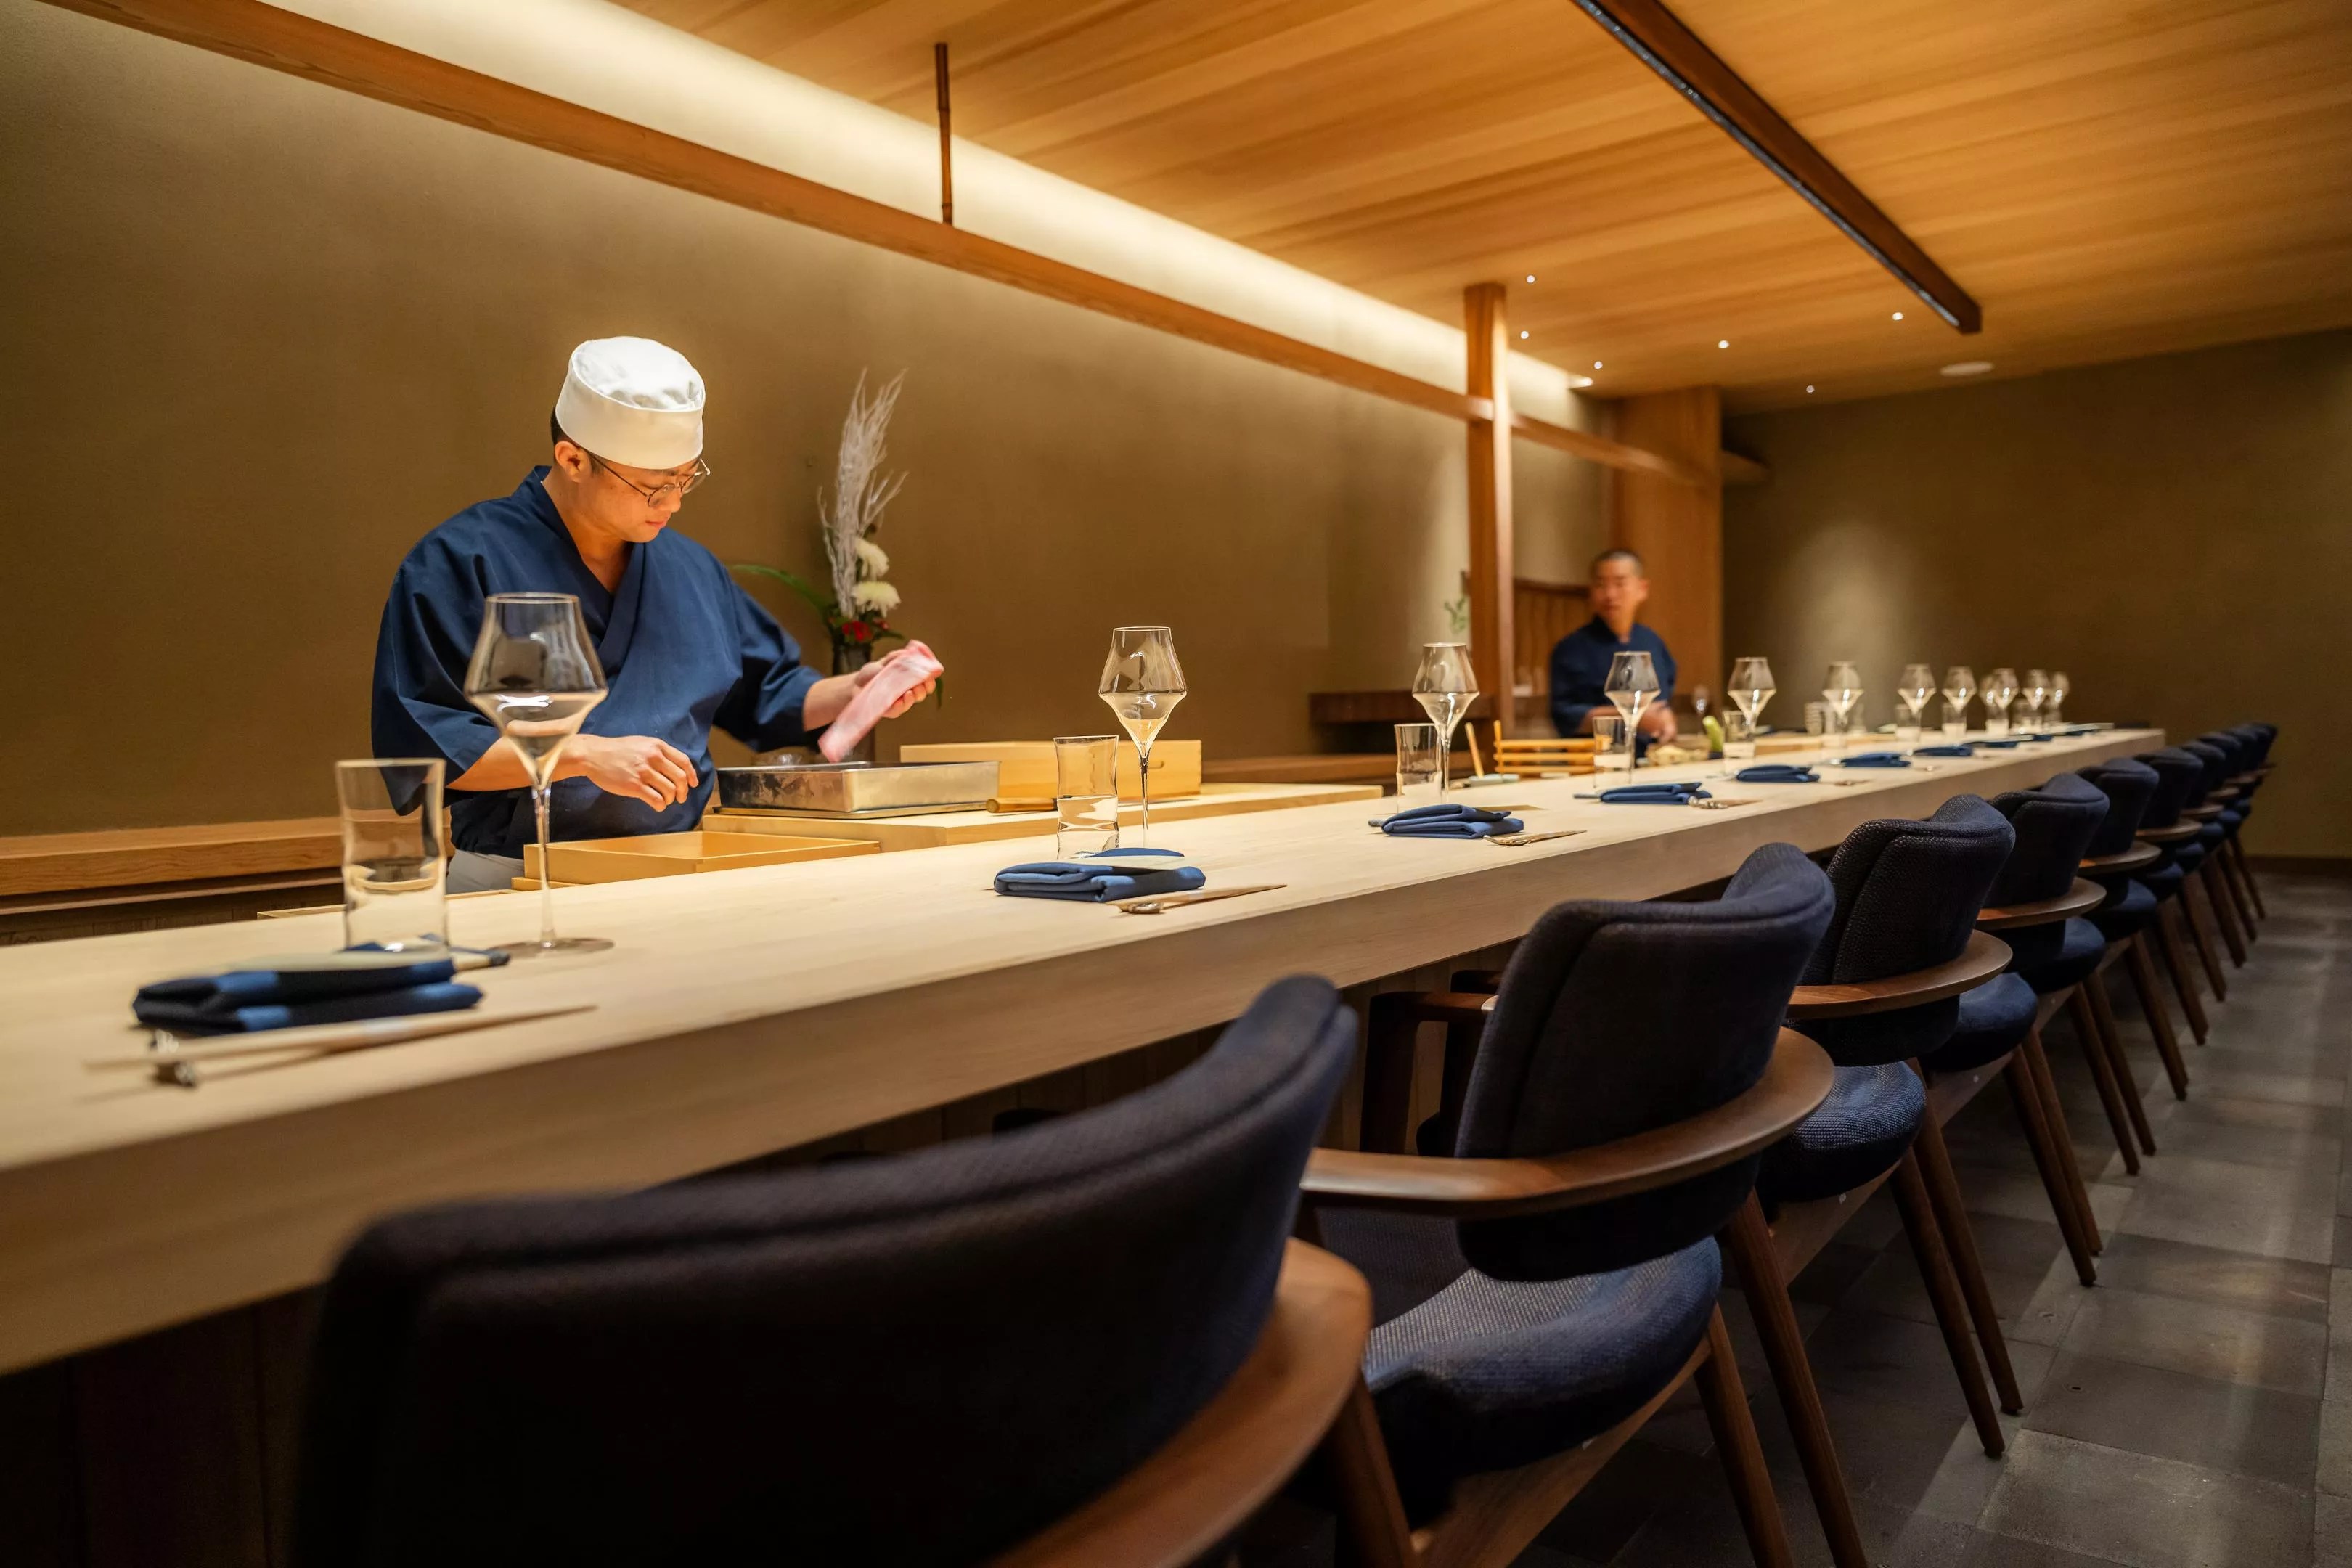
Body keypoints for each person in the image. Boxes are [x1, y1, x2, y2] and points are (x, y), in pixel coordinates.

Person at [373, 337, 942, 893]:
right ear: (573, 458)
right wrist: (584, 756)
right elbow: (428, 749)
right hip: (516, 878)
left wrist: (856, 690)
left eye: (685, 479)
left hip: (679, 873)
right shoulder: (461, 562)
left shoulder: (691, 568)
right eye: (651, 488)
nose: (672, 503)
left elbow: (769, 695)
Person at [1548, 547, 1678, 746]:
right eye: (1601, 585)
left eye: (1620, 583)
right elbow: (1564, 717)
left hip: (1651, 758)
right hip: (1594, 759)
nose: (1610, 594)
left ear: (1642, 589)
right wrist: (1630, 717)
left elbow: (1663, 701)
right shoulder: (1571, 648)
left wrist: (1667, 719)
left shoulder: (1652, 642)